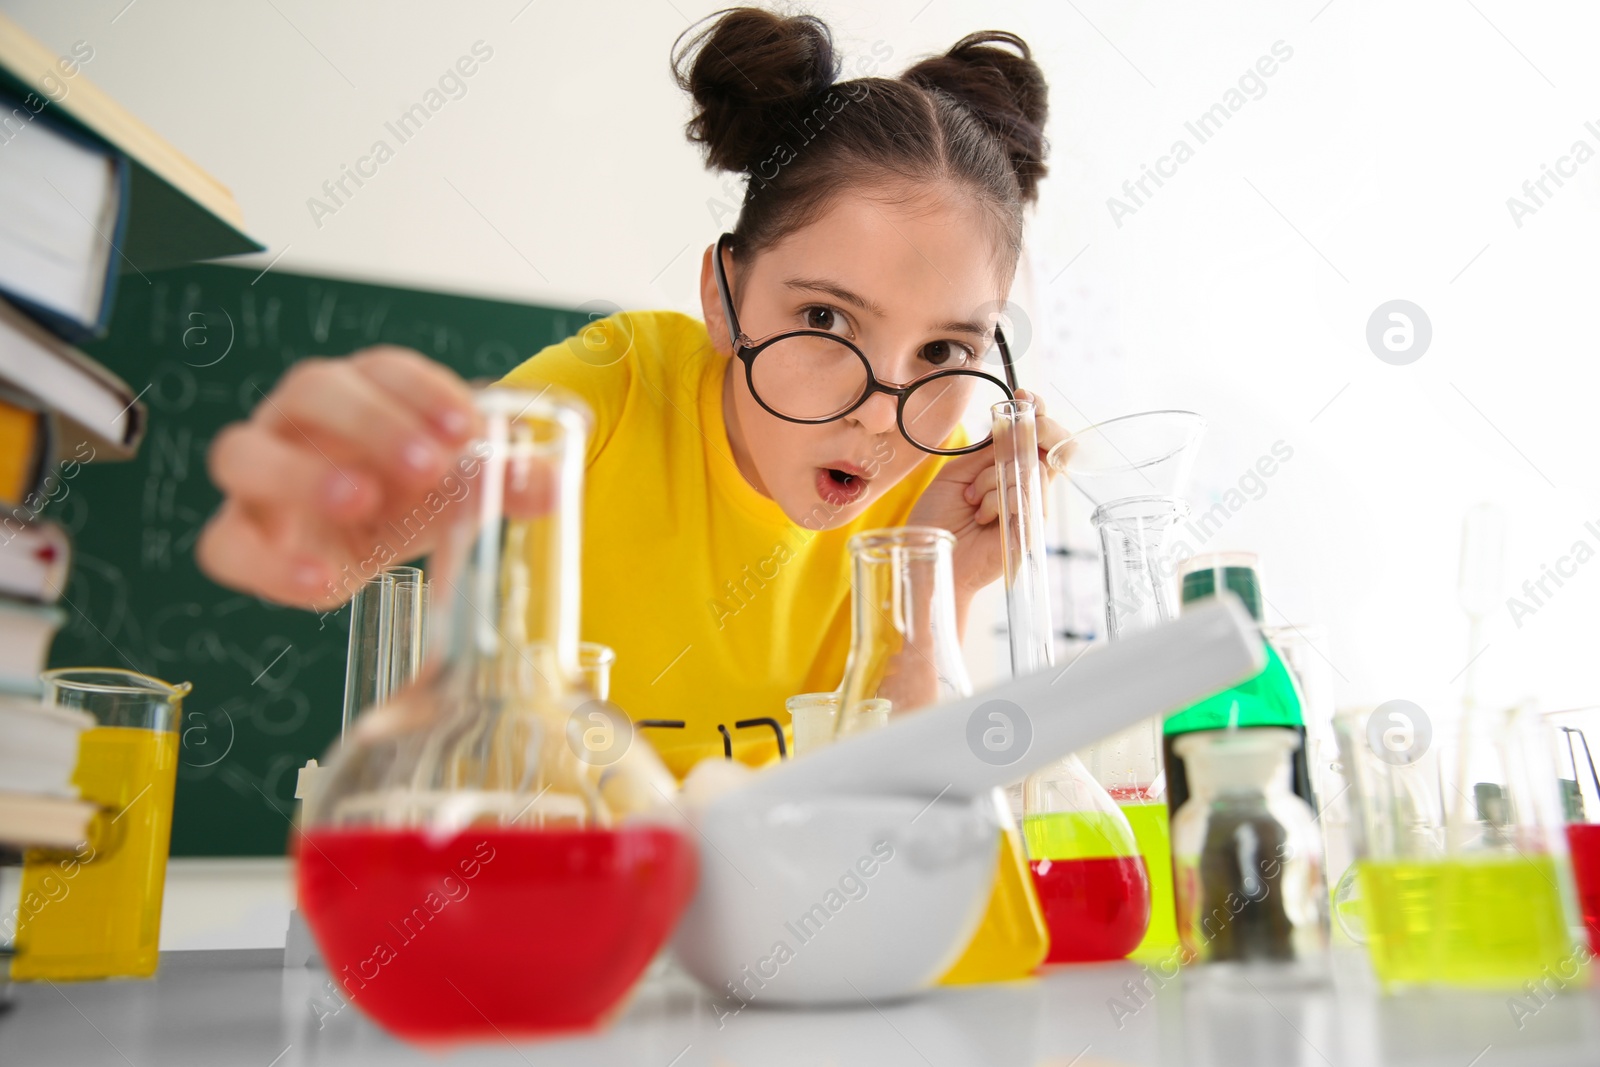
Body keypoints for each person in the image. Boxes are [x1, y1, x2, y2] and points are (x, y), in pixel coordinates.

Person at [198, 7, 1066, 777]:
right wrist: (345, 507)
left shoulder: (935, 479)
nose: (884, 410)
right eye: (829, 322)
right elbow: (421, 496)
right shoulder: (611, 391)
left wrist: (938, 590)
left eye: (945, 346)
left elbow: (898, 838)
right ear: (724, 298)